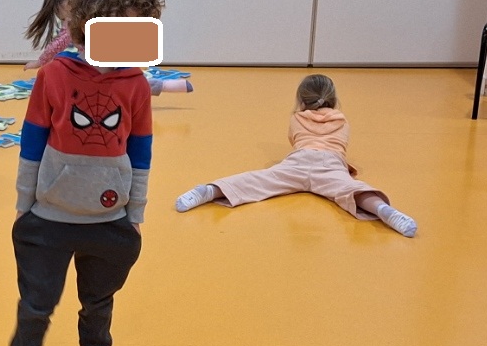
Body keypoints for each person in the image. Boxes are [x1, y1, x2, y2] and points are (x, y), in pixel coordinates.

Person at [5, 0, 162, 346]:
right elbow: (32, 142)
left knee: (98, 299)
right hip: (50, 214)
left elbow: (141, 153)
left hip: (109, 218)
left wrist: (135, 213)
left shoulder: (136, 85)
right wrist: (25, 202)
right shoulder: (53, 75)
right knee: (36, 303)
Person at [173, 73, 416, 236]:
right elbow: (340, 146)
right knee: (351, 190)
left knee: (258, 181)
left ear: (302, 100)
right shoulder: (343, 121)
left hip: (299, 161)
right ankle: (385, 211)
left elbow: (295, 141)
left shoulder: (297, 118)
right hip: (331, 164)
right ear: (333, 99)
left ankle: (209, 190)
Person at [25, 0, 192, 95]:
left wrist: (40, 62)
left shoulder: (75, 21)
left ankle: (169, 85)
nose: (64, 22)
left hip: (103, 61)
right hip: (100, 61)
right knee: (131, 82)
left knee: (130, 83)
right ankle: (173, 86)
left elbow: (57, 45)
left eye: (63, 16)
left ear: (69, 6)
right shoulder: (81, 16)